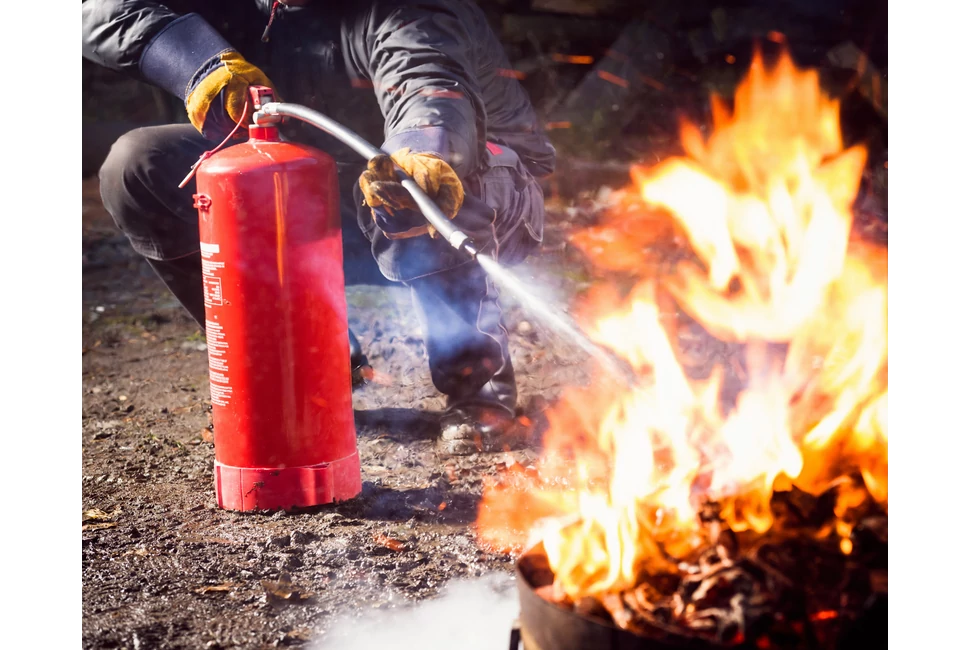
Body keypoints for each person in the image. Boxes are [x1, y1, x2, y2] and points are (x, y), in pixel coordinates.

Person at [80, 0, 556, 455]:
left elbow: (427, 81)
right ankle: (309, 371)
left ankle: (477, 390)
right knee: (138, 165)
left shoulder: (408, 11)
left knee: (417, 176)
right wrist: (189, 58)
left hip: (483, 196)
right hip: (317, 183)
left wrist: (421, 145)